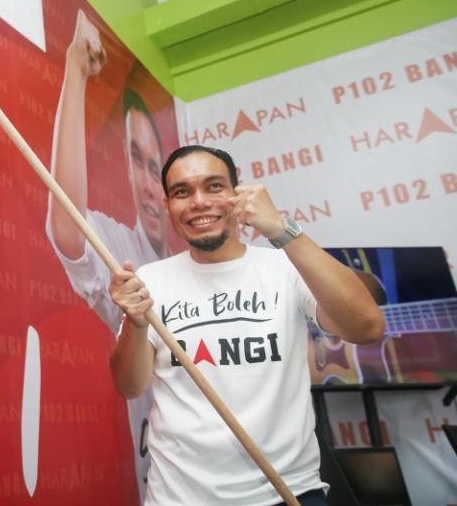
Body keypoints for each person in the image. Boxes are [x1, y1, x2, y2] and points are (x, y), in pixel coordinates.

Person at [109, 145, 385, 506]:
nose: (198, 201)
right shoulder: (151, 279)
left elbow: (366, 327)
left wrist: (282, 230)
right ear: (167, 206)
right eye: (182, 192)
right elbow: (129, 386)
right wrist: (136, 324)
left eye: (214, 186)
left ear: (238, 195)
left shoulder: (285, 268)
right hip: (178, 498)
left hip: (290, 492)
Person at [46, 9, 169, 497]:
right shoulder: (126, 256)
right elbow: (69, 228)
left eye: (155, 166)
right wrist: (75, 74)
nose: (146, 182)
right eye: (134, 161)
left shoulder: (206, 265)